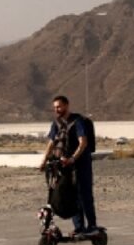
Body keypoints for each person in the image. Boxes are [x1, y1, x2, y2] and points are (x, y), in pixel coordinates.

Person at [40, 95, 98, 236]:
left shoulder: (77, 121)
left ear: (66, 105)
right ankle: (79, 227)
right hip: (64, 164)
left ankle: (92, 226)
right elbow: (51, 143)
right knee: (70, 194)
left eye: (59, 106)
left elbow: (83, 142)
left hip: (81, 163)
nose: (56, 110)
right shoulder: (57, 123)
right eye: (54, 107)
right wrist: (44, 161)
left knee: (84, 195)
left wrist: (73, 158)